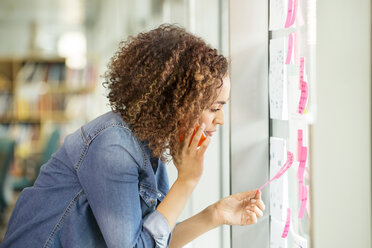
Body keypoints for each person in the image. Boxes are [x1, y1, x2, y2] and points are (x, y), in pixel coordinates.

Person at [1, 24, 265, 248]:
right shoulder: (114, 145)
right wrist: (187, 181)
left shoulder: (149, 147)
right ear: (178, 100)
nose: (220, 120)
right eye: (214, 108)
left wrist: (216, 214)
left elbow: (151, 238)